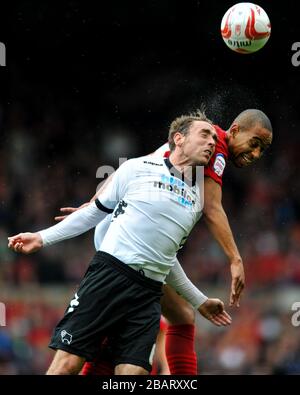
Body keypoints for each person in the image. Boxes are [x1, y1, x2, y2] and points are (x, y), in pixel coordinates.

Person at [8, 112, 232, 375]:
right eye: (205, 135)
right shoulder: (137, 168)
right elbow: (93, 212)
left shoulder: (196, 200)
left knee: (132, 374)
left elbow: (164, 258)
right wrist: (42, 237)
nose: (211, 143)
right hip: (109, 276)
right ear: (178, 139)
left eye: (215, 139)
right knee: (67, 365)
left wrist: (199, 300)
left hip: (148, 294)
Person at [57, 108, 273, 375]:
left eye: (262, 150)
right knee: (180, 317)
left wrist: (95, 204)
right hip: (130, 241)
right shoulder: (215, 147)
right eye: (254, 144)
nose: (255, 154)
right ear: (236, 130)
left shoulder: (196, 140)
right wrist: (235, 259)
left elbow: (132, 166)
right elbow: (212, 208)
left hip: (120, 233)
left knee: (157, 320)